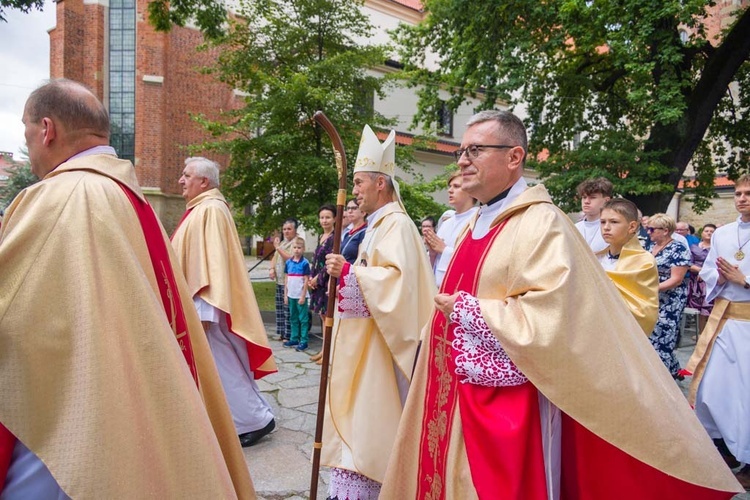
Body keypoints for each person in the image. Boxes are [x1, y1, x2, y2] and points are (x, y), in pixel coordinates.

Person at [380, 110, 741, 498]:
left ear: (514, 157)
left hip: (506, 399)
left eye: (476, 150)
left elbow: (554, 314)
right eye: (461, 151)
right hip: (449, 387)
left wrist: (472, 313)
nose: (463, 159)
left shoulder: (542, 222)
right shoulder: (473, 223)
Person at [0, 79, 256, 498]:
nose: (26, 144)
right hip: (124, 386)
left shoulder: (58, 196)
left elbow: (12, 309)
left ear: (47, 130)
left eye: (26, 131)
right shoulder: (130, 197)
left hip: (70, 413)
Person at [322, 125, 436, 499]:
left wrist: (351, 273)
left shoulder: (397, 225)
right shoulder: (377, 226)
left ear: (381, 184)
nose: (354, 191)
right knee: (362, 416)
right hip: (368, 341)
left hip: (384, 346)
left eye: (359, 183)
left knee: (374, 418)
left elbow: (397, 285)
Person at [172, 157, 277, 448]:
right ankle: (242, 417)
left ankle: (255, 420)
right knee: (222, 364)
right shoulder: (202, 208)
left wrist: (205, 310)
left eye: (186, 175)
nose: (181, 180)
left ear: (204, 182)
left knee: (223, 365)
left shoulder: (211, 210)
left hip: (208, 304)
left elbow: (212, 263)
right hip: (204, 303)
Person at [686, 174, 750, 489]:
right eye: (738, 193)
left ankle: (748, 462)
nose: (741, 198)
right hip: (724, 323)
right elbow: (709, 269)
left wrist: (745, 280)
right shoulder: (724, 234)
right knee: (712, 389)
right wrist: (721, 279)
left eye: (748, 193)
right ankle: (722, 449)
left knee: (744, 396)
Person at [596, 198, 659, 335]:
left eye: (614, 222)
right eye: (602, 222)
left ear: (632, 227)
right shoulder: (595, 258)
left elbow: (644, 311)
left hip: (623, 334)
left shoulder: (644, 261)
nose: (606, 227)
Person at [646, 213, 692, 379]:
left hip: (670, 299)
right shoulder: (649, 247)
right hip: (652, 296)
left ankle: (661, 378)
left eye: (651, 229)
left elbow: (676, 279)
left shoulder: (678, 248)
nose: (648, 232)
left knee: (663, 336)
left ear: (665, 230)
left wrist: (650, 288)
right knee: (651, 334)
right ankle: (674, 370)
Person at [423, 170, 478, 289]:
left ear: (471, 192)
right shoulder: (446, 223)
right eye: (450, 186)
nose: (450, 190)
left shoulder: (477, 221)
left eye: (456, 186)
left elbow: (474, 260)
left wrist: (444, 250)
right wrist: (432, 253)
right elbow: (435, 262)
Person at [308, 204, 336, 363]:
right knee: (322, 316)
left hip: (326, 282)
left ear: (334, 219)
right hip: (316, 283)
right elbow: (316, 261)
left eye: (328, 217)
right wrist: (312, 278)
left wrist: (318, 278)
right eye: (322, 217)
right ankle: (323, 350)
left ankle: (328, 352)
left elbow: (328, 263)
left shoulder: (334, 238)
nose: (324, 220)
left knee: (327, 318)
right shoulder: (321, 236)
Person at [270, 219, 298, 340]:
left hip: (291, 281)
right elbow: (275, 257)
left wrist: (277, 247)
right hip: (280, 280)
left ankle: (290, 335)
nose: (286, 232)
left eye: (289, 229)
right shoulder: (283, 242)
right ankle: (282, 333)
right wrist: (271, 268)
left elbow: (290, 258)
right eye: (284, 229)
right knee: (280, 308)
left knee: (288, 309)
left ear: (295, 230)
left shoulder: (296, 243)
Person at [688, 223, 717, 334]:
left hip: (711, 281)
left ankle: (709, 333)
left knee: (709, 308)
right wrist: (702, 271)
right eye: (706, 231)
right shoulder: (694, 247)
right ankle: (700, 333)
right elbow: (688, 263)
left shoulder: (716, 249)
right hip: (696, 281)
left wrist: (706, 274)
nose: (709, 233)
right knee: (699, 310)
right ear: (702, 233)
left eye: (712, 231)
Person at [283, 237, 311, 351]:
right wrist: (286, 294)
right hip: (291, 295)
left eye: (299, 248)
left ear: (303, 249)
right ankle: (294, 338)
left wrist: (303, 296)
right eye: (294, 247)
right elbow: (286, 279)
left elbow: (306, 281)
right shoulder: (288, 262)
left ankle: (304, 340)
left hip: (300, 296)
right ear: (291, 249)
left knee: (303, 319)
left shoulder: (305, 263)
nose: (296, 250)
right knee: (293, 317)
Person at [575, 176, 612, 252]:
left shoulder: (612, 228)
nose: (586, 201)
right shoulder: (574, 228)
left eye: (592, 197)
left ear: (606, 200)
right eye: (584, 197)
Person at [341, 198, 367, 265]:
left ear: (363, 212)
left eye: (354, 208)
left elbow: (361, 260)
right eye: (348, 208)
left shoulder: (365, 232)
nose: (349, 211)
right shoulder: (347, 233)